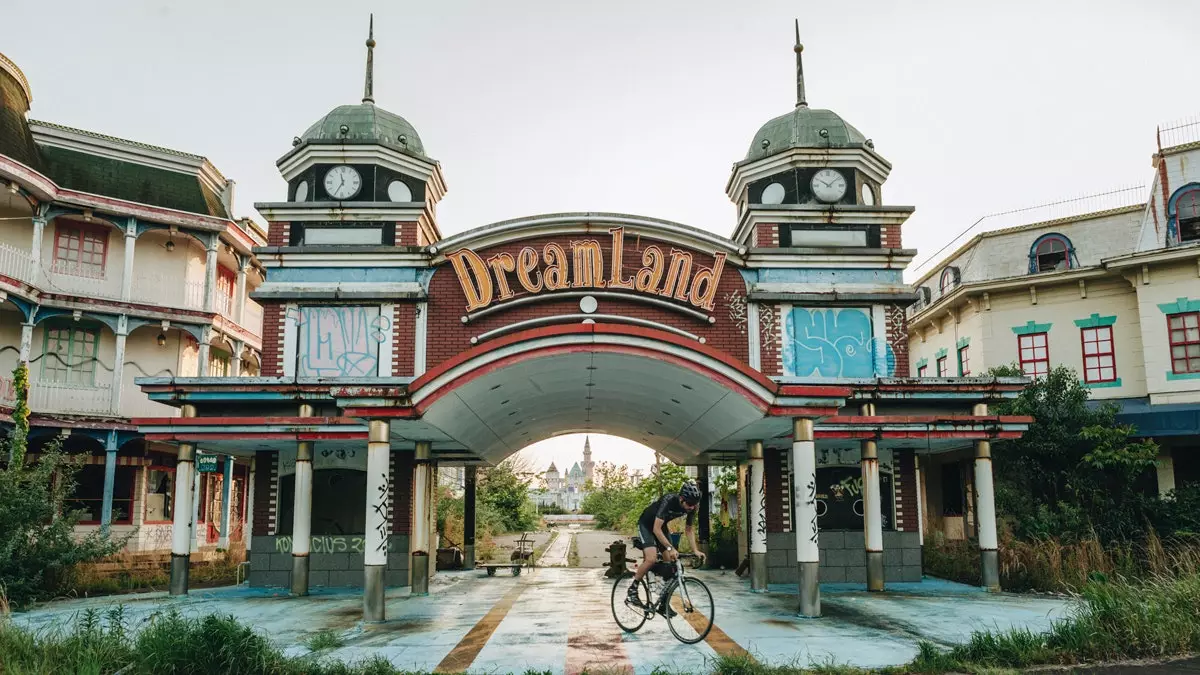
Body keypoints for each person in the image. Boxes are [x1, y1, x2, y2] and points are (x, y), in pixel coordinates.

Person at [627, 480, 707, 607]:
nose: (691, 507)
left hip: (661, 526)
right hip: (647, 525)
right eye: (689, 504)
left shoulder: (693, 507)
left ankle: (663, 603)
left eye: (694, 504)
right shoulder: (669, 500)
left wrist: (695, 550)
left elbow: (689, 530)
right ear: (681, 498)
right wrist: (670, 547)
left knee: (670, 563)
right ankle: (632, 590)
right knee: (651, 558)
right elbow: (655, 529)